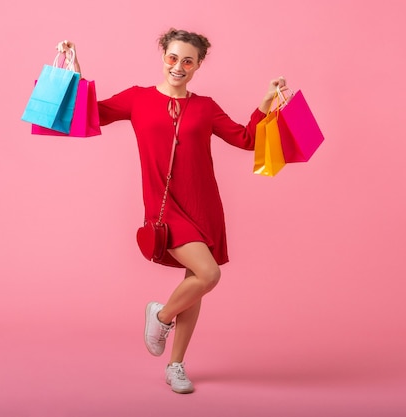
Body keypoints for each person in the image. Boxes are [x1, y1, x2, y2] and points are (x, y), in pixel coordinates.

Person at [57, 29, 287, 394]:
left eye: (188, 61)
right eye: (173, 57)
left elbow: (246, 139)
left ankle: (176, 365)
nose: (178, 66)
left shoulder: (206, 107)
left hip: (203, 203)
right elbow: (91, 115)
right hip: (165, 208)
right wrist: (74, 74)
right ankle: (161, 316)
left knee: (193, 285)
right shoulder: (137, 99)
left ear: (197, 66)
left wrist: (265, 105)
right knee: (207, 275)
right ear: (162, 55)